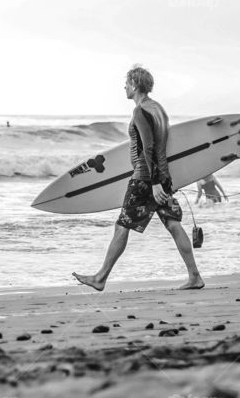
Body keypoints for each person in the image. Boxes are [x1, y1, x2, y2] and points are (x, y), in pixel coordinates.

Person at [73, 65, 204, 291]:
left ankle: (100, 277)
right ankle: (195, 277)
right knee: (173, 224)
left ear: (134, 84)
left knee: (122, 225)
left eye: (126, 82)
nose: (124, 86)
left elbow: (148, 147)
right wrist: (161, 181)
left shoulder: (140, 111)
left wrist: (152, 183)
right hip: (163, 177)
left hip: (145, 178)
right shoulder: (159, 109)